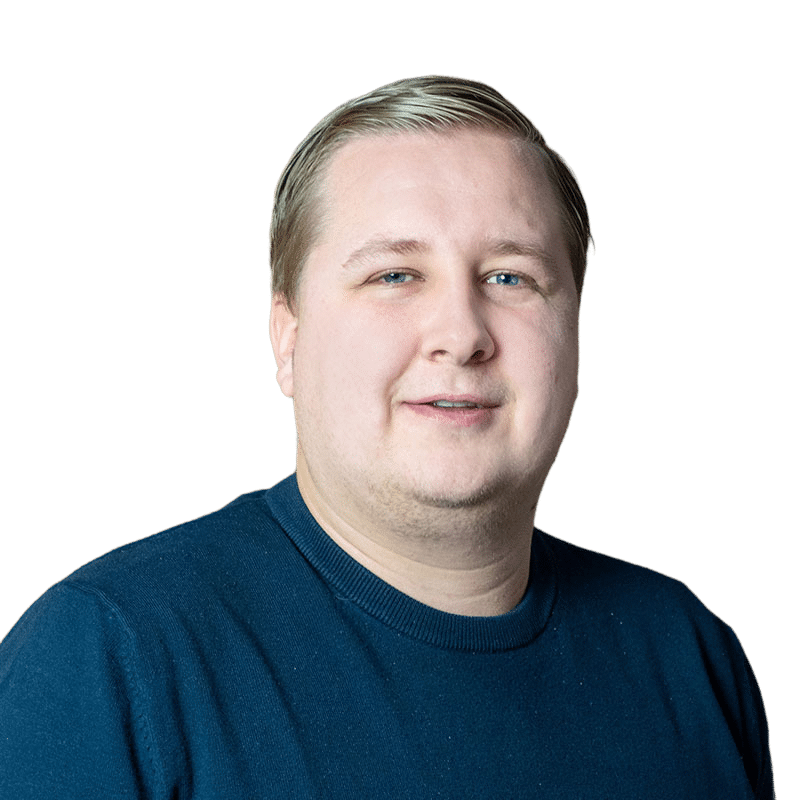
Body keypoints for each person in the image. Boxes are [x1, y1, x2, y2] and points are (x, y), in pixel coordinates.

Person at [0, 76, 773, 798]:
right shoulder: (108, 657)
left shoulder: (689, 656)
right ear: (287, 339)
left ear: (575, 334)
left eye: (510, 277)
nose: (462, 334)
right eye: (394, 276)